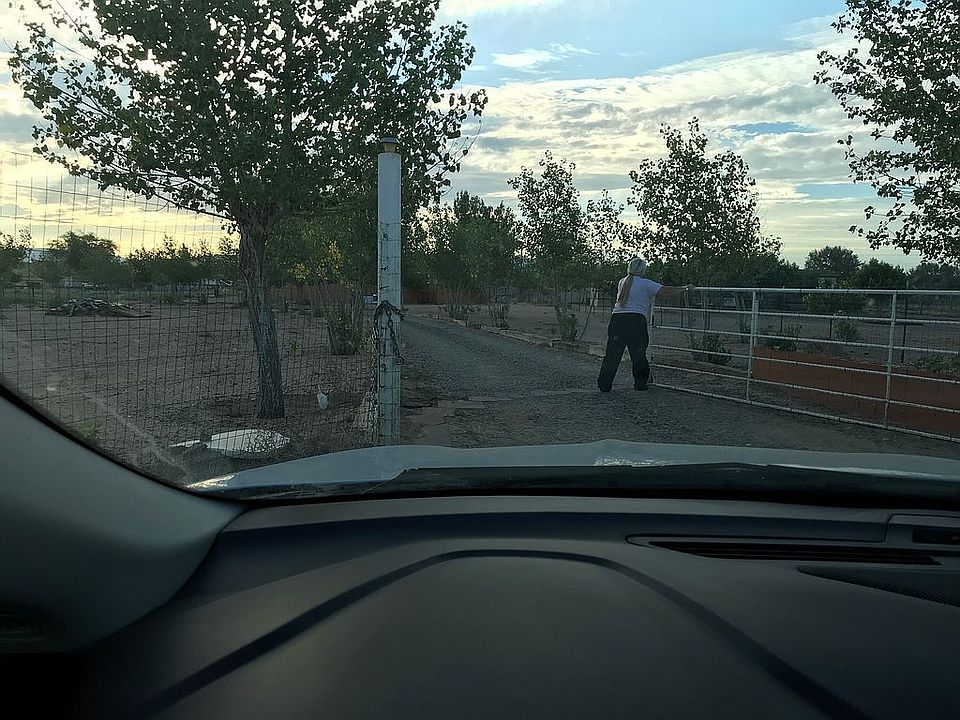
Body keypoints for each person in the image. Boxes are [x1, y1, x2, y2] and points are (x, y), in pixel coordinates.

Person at [597, 258, 692, 393]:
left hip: (617, 319)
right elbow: (665, 291)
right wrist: (684, 289)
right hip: (635, 320)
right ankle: (640, 383)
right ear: (643, 269)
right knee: (638, 353)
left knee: (612, 353)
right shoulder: (645, 283)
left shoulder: (622, 282)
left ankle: (604, 384)